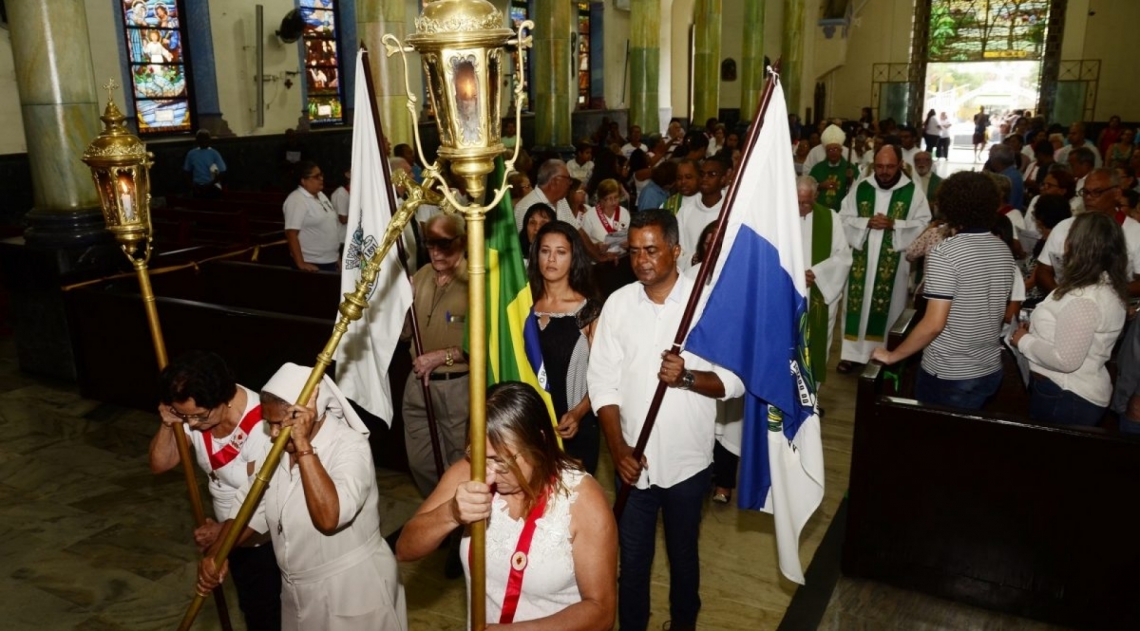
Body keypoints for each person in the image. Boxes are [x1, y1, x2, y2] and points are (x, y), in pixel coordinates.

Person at [588, 209, 745, 631]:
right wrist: (618, 450)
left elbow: (735, 381)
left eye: (652, 250)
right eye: (634, 251)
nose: (641, 260)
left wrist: (688, 377)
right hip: (632, 465)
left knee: (684, 559)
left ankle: (683, 625)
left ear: (676, 250)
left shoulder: (706, 303)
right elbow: (602, 383)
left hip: (688, 463)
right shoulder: (619, 304)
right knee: (633, 564)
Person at [196, 364, 408, 630]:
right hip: (298, 592)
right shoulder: (275, 449)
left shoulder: (350, 446)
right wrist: (217, 554)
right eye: (268, 423)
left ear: (308, 415)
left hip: (351, 590)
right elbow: (248, 507)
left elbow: (330, 517)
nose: (272, 434)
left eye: (278, 424)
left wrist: (304, 448)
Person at [396, 382, 617, 628]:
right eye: (478, 456)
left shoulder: (582, 499)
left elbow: (601, 611)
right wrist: (450, 513)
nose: (488, 472)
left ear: (539, 442)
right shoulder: (469, 473)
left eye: (500, 461)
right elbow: (405, 549)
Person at [150, 351, 281, 631]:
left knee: (267, 613)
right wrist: (168, 422)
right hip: (231, 537)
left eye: (198, 417)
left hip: (265, 537)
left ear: (224, 398)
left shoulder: (262, 426)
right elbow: (161, 463)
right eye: (185, 417)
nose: (193, 426)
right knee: (250, 605)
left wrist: (220, 543)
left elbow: (257, 505)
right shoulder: (193, 410)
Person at [872, 172, 1016, 409]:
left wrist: (892, 356)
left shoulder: (946, 253)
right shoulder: (1002, 249)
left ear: (950, 207)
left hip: (950, 371)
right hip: (989, 367)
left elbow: (934, 324)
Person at [1012, 213, 1129, 426]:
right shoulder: (1104, 285)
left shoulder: (1085, 298)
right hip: (1068, 393)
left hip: (1066, 394)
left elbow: (1065, 360)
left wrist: (1024, 341)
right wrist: (1038, 333)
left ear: (1077, 245)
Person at [836, 144, 932, 373]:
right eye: (879, 166)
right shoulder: (861, 188)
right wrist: (865, 222)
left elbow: (924, 225)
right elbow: (842, 218)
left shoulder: (912, 191)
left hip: (894, 265)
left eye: (890, 166)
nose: (884, 171)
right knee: (854, 308)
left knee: (889, 309)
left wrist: (894, 225)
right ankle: (851, 355)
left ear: (900, 164)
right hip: (860, 259)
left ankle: (882, 354)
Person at [402, 213, 470, 497]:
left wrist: (444, 357)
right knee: (421, 461)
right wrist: (401, 304)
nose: (436, 252)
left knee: (459, 461)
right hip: (418, 383)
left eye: (444, 244)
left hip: (455, 387)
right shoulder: (421, 276)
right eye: (430, 244)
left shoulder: (475, 282)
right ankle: (440, 510)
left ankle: (460, 527)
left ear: (462, 242)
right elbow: (406, 333)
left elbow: (483, 343)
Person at [529, 222, 603, 473]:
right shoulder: (522, 306)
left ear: (573, 258)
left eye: (561, 252)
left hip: (574, 426)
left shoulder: (588, 311)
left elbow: (604, 376)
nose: (551, 259)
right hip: (530, 426)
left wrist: (579, 412)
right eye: (545, 250)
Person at [1036, 168, 1140, 297]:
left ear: (1117, 193)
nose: (1088, 198)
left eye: (1097, 192)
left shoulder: (1135, 232)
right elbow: (1043, 270)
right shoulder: (1064, 227)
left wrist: (1104, 296)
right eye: (1085, 192)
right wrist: (1060, 296)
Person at [797, 176, 853, 387]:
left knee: (814, 345)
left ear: (816, 196)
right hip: (786, 292)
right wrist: (793, 274)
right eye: (797, 202)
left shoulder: (830, 218)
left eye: (806, 202)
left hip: (818, 292)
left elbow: (843, 256)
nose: (801, 207)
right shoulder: (779, 218)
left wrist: (817, 273)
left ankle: (810, 397)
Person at [283, 161, 340, 272]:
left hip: (330, 260)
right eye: (316, 176)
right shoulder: (297, 200)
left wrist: (336, 258)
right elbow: (291, 234)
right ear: (303, 181)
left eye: (321, 175)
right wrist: (301, 263)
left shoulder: (321, 195)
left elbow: (329, 226)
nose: (321, 178)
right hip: (312, 263)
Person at [676, 156, 729, 270]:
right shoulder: (685, 212)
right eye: (702, 174)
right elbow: (678, 250)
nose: (705, 178)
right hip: (691, 276)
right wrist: (694, 259)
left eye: (712, 174)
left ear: (723, 179)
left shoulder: (732, 212)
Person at [515, 159, 575, 231]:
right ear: (555, 181)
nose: (570, 183)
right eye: (568, 179)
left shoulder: (561, 200)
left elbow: (576, 229)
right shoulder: (525, 207)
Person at [808, 125, 856, 211]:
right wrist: (820, 185)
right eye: (830, 150)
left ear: (841, 151)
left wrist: (851, 179)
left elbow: (858, 189)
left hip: (842, 212)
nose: (833, 152)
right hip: (820, 211)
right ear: (825, 152)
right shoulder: (817, 168)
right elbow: (808, 188)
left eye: (836, 149)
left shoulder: (850, 168)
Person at [581, 178, 629, 261]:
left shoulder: (624, 212)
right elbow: (583, 244)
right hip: (601, 261)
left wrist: (628, 244)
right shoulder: (589, 216)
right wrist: (597, 247)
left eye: (616, 197)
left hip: (622, 257)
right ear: (601, 200)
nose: (614, 202)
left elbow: (631, 236)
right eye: (609, 199)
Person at [183, 130, 226, 199]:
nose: (203, 141)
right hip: (197, 186)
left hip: (211, 186)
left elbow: (222, 171)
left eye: (205, 139)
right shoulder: (191, 154)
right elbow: (186, 172)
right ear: (197, 140)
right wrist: (192, 186)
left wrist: (211, 184)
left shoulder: (214, 153)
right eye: (201, 139)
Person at [330, 169, 350, 248]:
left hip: (349, 237)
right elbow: (343, 219)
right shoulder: (341, 193)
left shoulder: (351, 192)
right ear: (347, 174)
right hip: (342, 239)